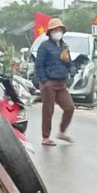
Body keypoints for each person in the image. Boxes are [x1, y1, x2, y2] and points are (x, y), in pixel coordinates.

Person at [35, 18, 75, 146]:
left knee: (69, 107)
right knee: (48, 110)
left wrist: (71, 67)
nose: (58, 32)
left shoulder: (64, 46)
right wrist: (44, 81)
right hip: (49, 83)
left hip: (61, 83)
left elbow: (69, 63)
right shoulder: (44, 46)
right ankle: (45, 137)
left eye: (60, 30)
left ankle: (62, 132)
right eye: (56, 30)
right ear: (50, 32)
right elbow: (39, 65)